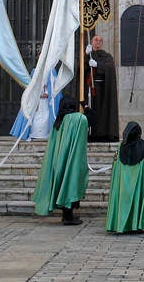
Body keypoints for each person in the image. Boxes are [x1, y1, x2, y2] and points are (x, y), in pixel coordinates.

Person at [32, 96, 89, 225]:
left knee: (63, 182)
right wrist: (85, 107)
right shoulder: (78, 118)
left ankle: (66, 215)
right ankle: (68, 217)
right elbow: (90, 121)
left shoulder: (58, 121)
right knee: (70, 183)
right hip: (72, 159)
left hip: (58, 160)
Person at [106, 121, 144, 233]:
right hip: (138, 183)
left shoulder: (120, 148)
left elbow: (116, 167)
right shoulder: (143, 146)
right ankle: (136, 224)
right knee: (137, 200)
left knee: (124, 201)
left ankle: (123, 224)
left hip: (123, 186)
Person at [85, 35, 119, 142]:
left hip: (104, 89)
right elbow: (82, 69)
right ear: (91, 42)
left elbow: (110, 67)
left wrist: (97, 65)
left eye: (100, 40)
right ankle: (92, 133)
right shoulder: (88, 55)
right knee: (92, 111)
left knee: (103, 112)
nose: (98, 42)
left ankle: (104, 133)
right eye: (96, 40)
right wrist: (86, 56)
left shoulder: (107, 56)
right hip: (92, 88)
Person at [10, 68, 61, 140]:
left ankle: (47, 134)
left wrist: (49, 93)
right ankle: (34, 133)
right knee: (35, 117)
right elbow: (31, 86)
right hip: (37, 100)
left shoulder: (52, 71)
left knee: (47, 117)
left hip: (48, 102)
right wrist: (37, 94)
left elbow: (55, 86)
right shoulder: (35, 71)